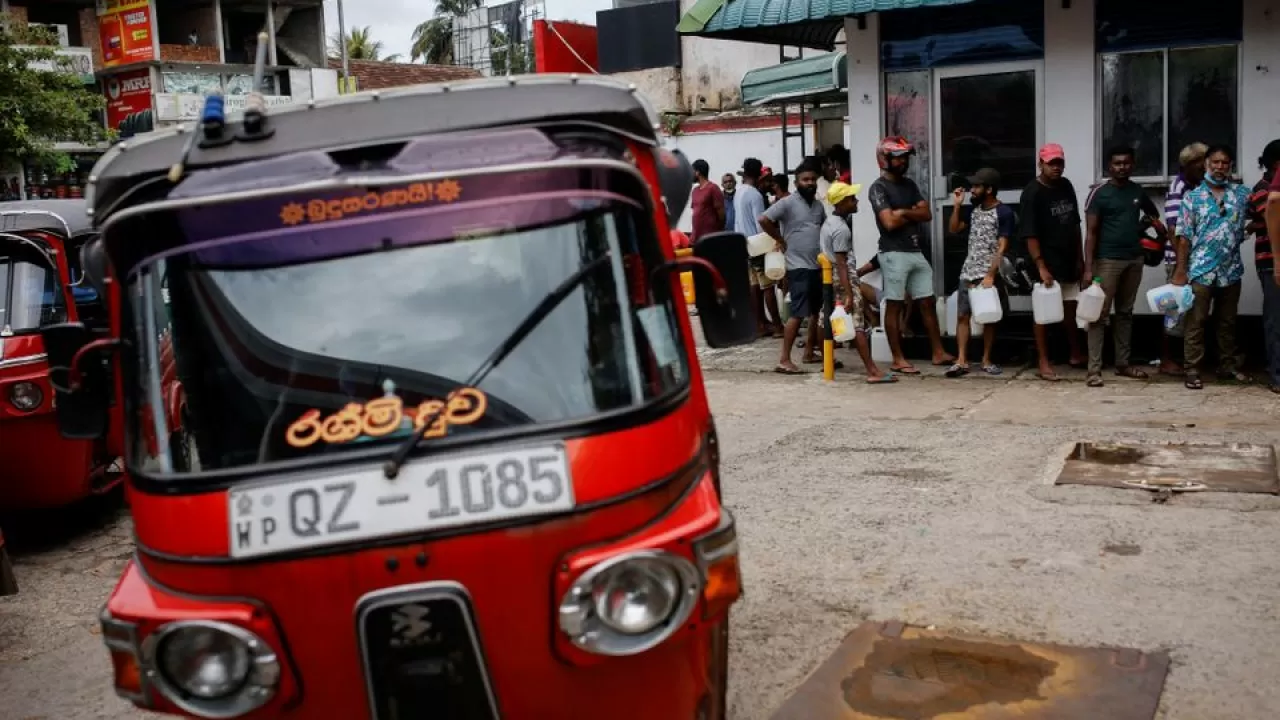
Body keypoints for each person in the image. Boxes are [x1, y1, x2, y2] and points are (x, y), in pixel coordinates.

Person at [868, 136, 954, 374]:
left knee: (927, 301)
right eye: (898, 157)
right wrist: (910, 212)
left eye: (905, 157)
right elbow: (889, 222)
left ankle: (938, 352)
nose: (904, 161)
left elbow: (927, 214)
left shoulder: (909, 185)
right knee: (894, 304)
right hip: (893, 252)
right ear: (885, 160)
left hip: (915, 250)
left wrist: (903, 211)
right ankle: (897, 358)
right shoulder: (878, 187)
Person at [1083, 147, 1166, 387]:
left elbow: (1152, 214)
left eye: (1126, 163)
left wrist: (1143, 231)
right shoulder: (1099, 193)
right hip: (1107, 261)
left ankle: (1123, 364)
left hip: (1134, 259)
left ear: (1133, 165)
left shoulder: (1137, 191)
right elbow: (1091, 233)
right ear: (1110, 166)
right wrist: (1089, 269)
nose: (1122, 167)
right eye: (1117, 163)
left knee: (1125, 313)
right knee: (1099, 315)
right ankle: (1094, 370)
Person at [1172, 145, 1251, 390]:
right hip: (1201, 270)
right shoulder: (1192, 197)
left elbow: (1262, 214)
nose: (1220, 167)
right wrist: (1181, 271)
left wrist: (1246, 232)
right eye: (1215, 162)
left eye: (1225, 163)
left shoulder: (1241, 194)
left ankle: (1226, 366)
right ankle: (1192, 369)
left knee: (1227, 322)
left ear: (1230, 166)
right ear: (1206, 164)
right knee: (1196, 321)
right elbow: (1183, 237)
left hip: (1231, 269)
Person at [1019, 143, 1086, 381]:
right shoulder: (1032, 193)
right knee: (1043, 313)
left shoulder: (1066, 186)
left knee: (1070, 308)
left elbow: (1075, 224)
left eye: (1060, 163)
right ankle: (1043, 361)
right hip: (1045, 261)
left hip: (1067, 257)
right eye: (1051, 163)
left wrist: (1080, 258)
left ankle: (1075, 353)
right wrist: (1040, 266)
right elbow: (1030, 234)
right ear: (1041, 164)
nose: (1056, 168)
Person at [821, 181, 895, 383]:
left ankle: (826, 361)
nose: (856, 201)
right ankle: (872, 370)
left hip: (831, 277)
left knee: (826, 317)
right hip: (843, 276)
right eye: (852, 198)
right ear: (842, 202)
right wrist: (849, 293)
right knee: (858, 324)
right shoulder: (841, 230)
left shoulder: (830, 223)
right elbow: (842, 264)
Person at [760, 160, 827, 374]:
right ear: (796, 182)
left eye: (812, 180)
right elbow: (764, 219)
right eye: (805, 180)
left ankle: (809, 352)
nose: (809, 183)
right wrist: (780, 238)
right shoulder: (788, 203)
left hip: (817, 265)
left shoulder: (818, 206)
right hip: (798, 267)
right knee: (798, 314)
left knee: (815, 311)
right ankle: (784, 359)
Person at [945, 168, 1014, 378]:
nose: (972, 190)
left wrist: (991, 274)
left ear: (989, 189)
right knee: (963, 316)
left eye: (977, 186)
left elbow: (1002, 246)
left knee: (989, 318)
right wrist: (957, 205)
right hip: (968, 271)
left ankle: (986, 359)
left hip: (988, 272)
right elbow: (954, 229)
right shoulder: (973, 209)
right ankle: (962, 360)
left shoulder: (1004, 213)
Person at [1160, 143, 1208, 376]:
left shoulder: (1201, 186)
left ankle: (1188, 358)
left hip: (1198, 260)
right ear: (1188, 164)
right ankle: (1167, 359)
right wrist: (1182, 265)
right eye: (1200, 162)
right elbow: (1173, 229)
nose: (1204, 166)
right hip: (1178, 259)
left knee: (1193, 312)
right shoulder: (1179, 187)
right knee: (1173, 310)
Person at [735, 158, 780, 338]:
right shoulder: (754, 194)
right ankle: (777, 325)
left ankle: (760, 323)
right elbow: (760, 223)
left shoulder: (739, 192)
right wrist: (774, 241)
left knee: (754, 286)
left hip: (744, 244)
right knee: (767, 286)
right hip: (758, 244)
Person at [1250, 140, 1280, 393]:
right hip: (1271, 263)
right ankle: (1277, 375)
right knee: (1275, 319)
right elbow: (1273, 217)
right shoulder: (1262, 189)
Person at [690, 159, 724, 242]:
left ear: (698, 172)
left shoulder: (713, 188)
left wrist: (716, 231)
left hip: (711, 238)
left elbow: (722, 215)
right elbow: (696, 214)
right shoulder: (695, 191)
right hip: (697, 239)